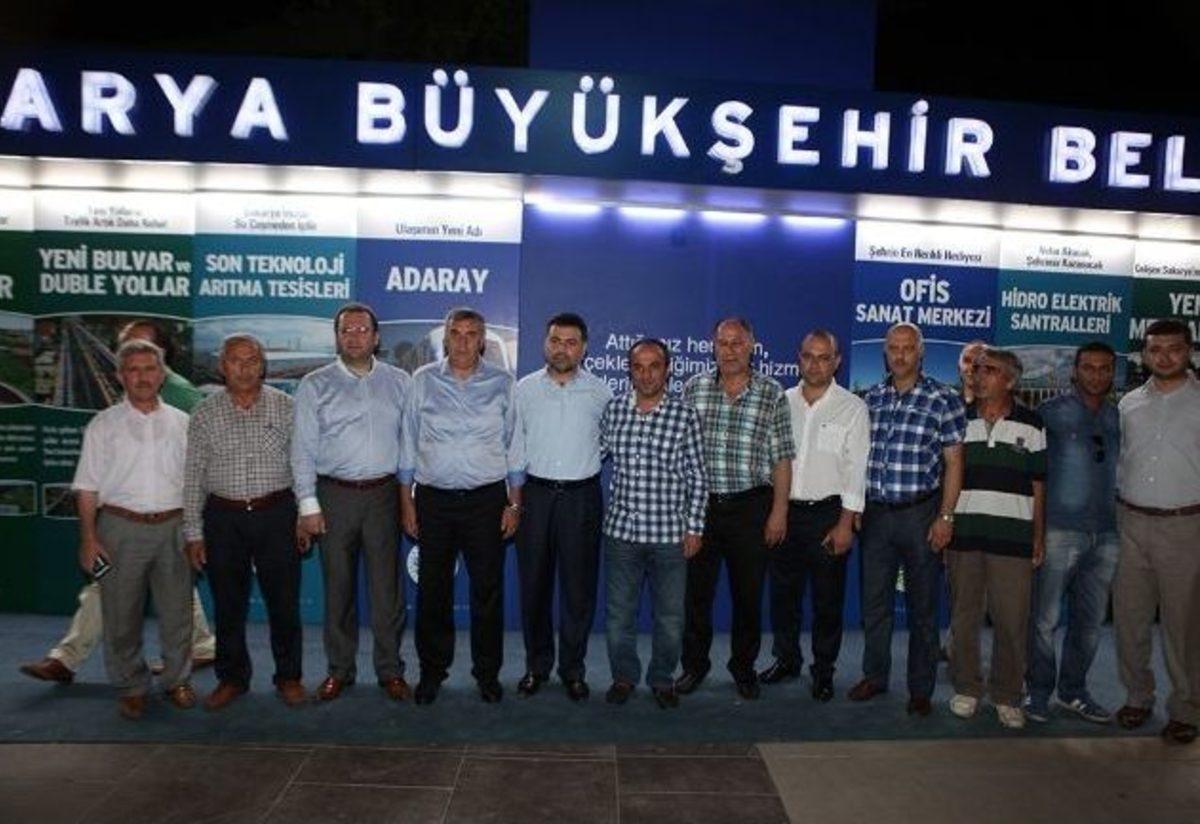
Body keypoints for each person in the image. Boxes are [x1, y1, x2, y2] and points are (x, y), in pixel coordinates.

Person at [19, 319, 214, 686]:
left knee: (130, 591)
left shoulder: (182, 399)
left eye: (142, 350)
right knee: (127, 589)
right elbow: (90, 482)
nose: (132, 358)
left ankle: (69, 657)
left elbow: (200, 461)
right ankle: (192, 650)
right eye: (125, 350)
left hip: (171, 519)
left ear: (162, 358)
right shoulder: (109, 419)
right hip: (125, 523)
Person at [400, 307, 523, 705]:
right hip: (433, 500)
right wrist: (407, 503)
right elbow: (407, 444)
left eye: (472, 334)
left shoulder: (503, 383)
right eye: (457, 333)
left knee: (487, 592)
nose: (464, 341)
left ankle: (487, 674)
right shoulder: (422, 381)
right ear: (446, 337)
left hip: (487, 500)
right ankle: (431, 672)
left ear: (482, 340)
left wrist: (514, 504)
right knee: (432, 591)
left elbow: (515, 447)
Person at [292, 302, 411, 702]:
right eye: (347, 331)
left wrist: (409, 497)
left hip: (384, 495)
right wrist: (307, 505)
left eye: (362, 330)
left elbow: (411, 443)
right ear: (337, 337)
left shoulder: (400, 382)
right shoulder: (315, 384)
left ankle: (390, 670)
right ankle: (339, 670)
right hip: (334, 496)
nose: (354, 337)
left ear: (376, 338)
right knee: (338, 589)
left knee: (387, 592)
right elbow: (302, 449)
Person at [73, 338, 194, 719]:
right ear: (120, 376)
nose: (142, 377)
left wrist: (196, 533)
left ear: (162, 375)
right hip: (119, 528)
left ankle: (176, 680)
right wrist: (89, 538)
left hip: (175, 527)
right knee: (121, 615)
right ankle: (131, 685)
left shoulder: (183, 423)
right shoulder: (103, 425)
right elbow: (87, 487)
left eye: (150, 369)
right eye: (133, 370)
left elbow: (195, 484)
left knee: (178, 613)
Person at [183, 333, 306, 710]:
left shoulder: (286, 407)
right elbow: (193, 475)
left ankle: (289, 676)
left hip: (277, 514)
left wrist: (305, 515)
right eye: (235, 360)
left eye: (252, 360)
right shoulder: (204, 413)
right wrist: (193, 533)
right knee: (228, 604)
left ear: (262, 365)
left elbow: (303, 466)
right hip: (223, 518)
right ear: (223, 366)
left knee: (284, 603)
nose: (244, 368)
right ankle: (232, 678)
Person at [850, 322, 965, 716]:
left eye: (907, 348)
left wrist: (946, 516)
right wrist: (858, 506)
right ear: (885, 352)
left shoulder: (943, 398)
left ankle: (920, 689)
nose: (899, 355)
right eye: (893, 348)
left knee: (923, 608)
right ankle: (875, 676)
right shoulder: (871, 399)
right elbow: (858, 459)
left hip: (921, 514)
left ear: (921, 353)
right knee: (874, 604)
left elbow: (954, 463)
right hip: (876, 516)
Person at [676, 317, 794, 700]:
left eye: (737, 342)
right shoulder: (693, 388)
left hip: (751, 508)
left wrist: (779, 511)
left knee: (748, 595)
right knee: (697, 596)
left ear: (752, 346)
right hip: (702, 508)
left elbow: (782, 458)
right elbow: (679, 454)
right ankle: (694, 666)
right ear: (713, 346)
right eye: (722, 343)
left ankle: (743, 668)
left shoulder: (772, 392)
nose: (729, 350)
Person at [760, 330, 869, 702]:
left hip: (828, 515)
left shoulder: (852, 407)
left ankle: (823, 670)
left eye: (824, 357)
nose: (815, 364)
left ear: (836, 361)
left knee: (827, 601)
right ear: (799, 358)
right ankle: (786, 659)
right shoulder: (781, 401)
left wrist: (845, 523)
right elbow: (771, 458)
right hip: (784, 512)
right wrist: (774, 511)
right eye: (808, 356)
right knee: (783, 596)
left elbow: (856, 470)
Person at [601, 338, 707, 708]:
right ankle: (624, 677)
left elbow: (698, 476)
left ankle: (662, 679)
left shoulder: (685, 415)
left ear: (668, 370)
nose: (646, 375)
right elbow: (591, 454)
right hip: (621, 534)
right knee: (619, 616)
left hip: (670, 537)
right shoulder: (614, 410)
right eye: (638, 367)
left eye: (654, 366)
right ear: (629, 370)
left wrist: (695, 527)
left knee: (670, 619)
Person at [513, 312, 612, 701]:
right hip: (534, 497)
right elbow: (513, 445)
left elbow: (606, 442)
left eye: (571, 343)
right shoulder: (523, 390)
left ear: (584, 348)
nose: (562, 349)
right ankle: (536, 667)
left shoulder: (601, 393)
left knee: (578, 591)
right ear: (545, 343)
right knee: (534, 588)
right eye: (555, 341)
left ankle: (573, 670)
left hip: (581, 498)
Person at [946, 347, 1045, 730]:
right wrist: (945, 523)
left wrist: (1037, 535)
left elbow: (1039, 485)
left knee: (1011, 621)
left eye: (989, 369)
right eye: (975, 368)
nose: (978, 374)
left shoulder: (1032, 423)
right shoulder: (958, 418)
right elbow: (946, 476)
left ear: (1010, 380)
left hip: (1013, 538)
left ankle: (1008, 695)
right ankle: (967, 688)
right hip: (965, 535)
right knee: (964, 616)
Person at [1114, 318, 1200, 745]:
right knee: (1129, 620)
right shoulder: (1128, 403)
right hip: (1130, 522)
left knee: (1183, 626)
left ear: (1190, 352)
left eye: (1174, 348)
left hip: (1185, 526)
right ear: (1144, 354)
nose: (1164, 357)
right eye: (1155, 349)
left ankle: (1186, 709)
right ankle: (1137, 696)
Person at [1026, 341, 1120, 724]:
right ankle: (1037, 693)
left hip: (1107, 535)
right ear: (1074, 371)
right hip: (1058, 531)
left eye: (1104, 368)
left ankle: (1073, 692)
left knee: (1090, 623)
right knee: (1044, 621)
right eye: (1088, 367)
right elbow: (1032, 475)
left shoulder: (1118, 417)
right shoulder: (1049, 414)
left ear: (1112, 373)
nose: (1096, 375)